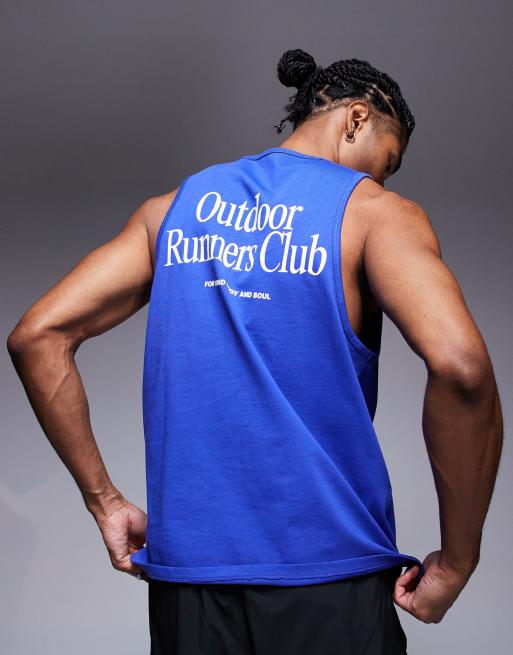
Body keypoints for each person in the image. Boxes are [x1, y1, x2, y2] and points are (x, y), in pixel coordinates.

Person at [7, 48, 503, 655]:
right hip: (329, 576)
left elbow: (37, 336)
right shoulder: (375, 214)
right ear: (356, 118)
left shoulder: (171, 211)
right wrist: (458, 561)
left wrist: (105, 503)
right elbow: (463, 370)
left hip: (189, 585)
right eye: (388, 161)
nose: (383, 180)